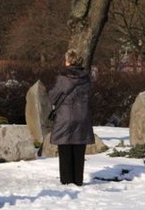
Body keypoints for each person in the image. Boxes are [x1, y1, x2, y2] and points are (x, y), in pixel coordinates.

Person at [48, 49, 94, 186]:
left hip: (65, 117)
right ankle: (78, 180)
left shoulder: (62, 78)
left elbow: (52, 97)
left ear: (68, 61)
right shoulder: (87, 78)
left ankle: (67, 181)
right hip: (83, 117)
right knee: (79, 149)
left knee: (65, 149)